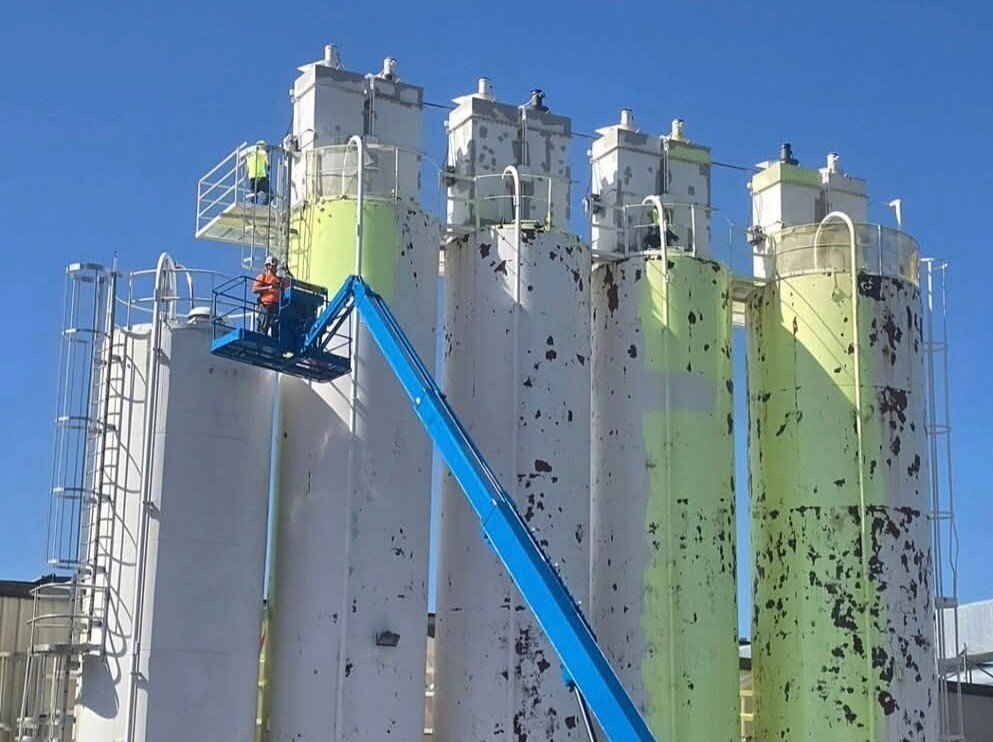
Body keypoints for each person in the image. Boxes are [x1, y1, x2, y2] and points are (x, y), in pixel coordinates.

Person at [253, 256, 284, 337]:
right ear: (268, 266)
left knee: (276, 330)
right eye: (274, 266)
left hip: (276, 307)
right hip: (265, 306)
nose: (275, 268)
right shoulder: (262, 277)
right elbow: (255, 289)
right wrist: (268, 287)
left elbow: (289, 283)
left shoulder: (279, 280)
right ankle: (260, 342)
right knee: (263, 327)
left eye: (276, 266)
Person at [245, 140, 270, 205]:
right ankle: (263, 206)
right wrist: (268, 165)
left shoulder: (249, 155)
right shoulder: (261, 151)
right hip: (260, 176)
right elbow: (265, 157)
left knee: (254, 196)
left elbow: (247, 168)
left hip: (252, 178)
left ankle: (253, 207)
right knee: (270, 195)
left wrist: (246, 176)